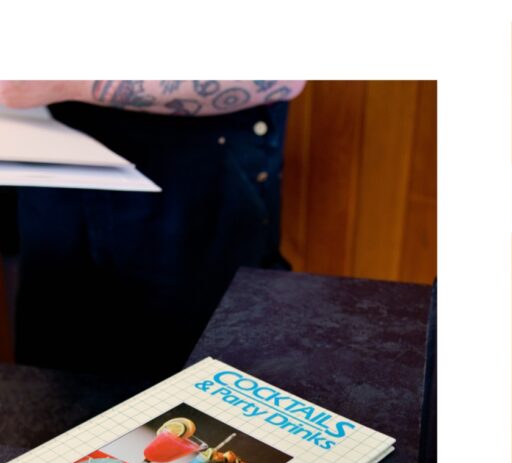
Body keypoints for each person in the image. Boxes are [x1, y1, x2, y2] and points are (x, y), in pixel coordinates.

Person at [0, 80, 305, 378]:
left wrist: (64, 83)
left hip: (196, 201)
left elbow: (277, 80)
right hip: (58, 178)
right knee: (56, 388)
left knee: (188, 400)